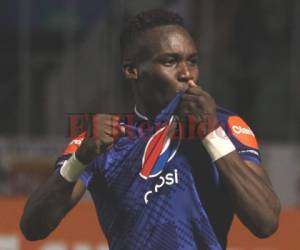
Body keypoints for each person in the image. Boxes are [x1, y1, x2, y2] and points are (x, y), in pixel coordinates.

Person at [20, 9, 281, 249]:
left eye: (192, 61)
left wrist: (211, 134)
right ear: (132, 70)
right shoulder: (104, 139)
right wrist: (79, 160)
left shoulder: (226, 126)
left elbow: (266, 222)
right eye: (170, 61)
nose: (187, 74)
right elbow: (33, 227)